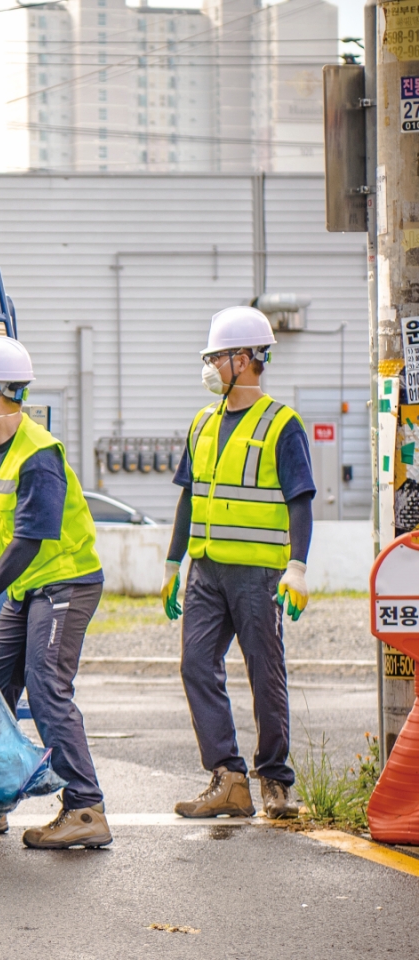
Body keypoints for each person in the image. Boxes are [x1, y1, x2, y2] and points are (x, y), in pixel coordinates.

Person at [0, 336, 111, 849]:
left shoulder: (39, 455)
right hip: (27, 587)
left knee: (46, 686)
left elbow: (29, 540)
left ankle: (86, 808)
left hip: (66, 582)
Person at [162, 306, 315, 820]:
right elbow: (189, 496)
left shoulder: (282, 425)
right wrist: (172, 563)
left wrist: (297, 567)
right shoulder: (202, 423)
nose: (209, 367)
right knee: (195, 665)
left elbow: (300, 500)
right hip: (205, 570)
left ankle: (274, 778)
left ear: (245, 359)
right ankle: (228, 778)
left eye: (217, 357)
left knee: (264, 671)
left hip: (258, 574)